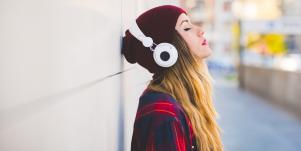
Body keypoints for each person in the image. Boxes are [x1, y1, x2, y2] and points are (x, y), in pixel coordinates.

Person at [121, 5, 223, 151]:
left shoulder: (181, 100)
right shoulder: (164, 114)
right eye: (186, 28)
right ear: (165, 52)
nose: (201, 31)